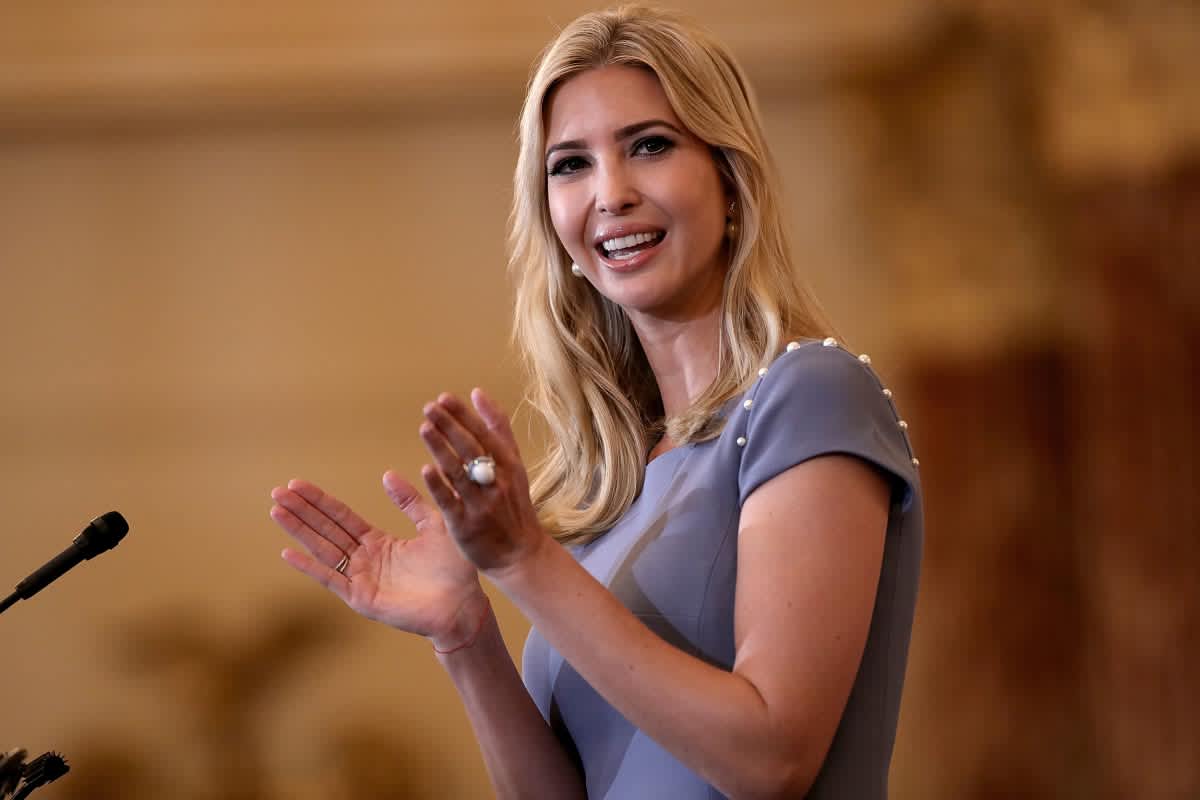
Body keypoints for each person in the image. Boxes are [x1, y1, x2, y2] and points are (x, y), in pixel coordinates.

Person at [268, 5, 923, 798]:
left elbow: (771, 759)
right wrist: (466, 635)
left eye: (650, 146)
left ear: (730, 179)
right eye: (570, 164)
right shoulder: (606, 494)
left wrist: (526, 564)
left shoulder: (809, 394)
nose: (610, 193)